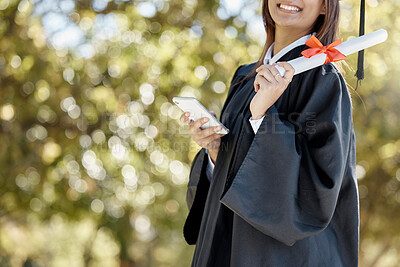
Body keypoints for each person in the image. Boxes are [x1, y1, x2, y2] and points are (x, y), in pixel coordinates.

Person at [180, 0, 359, 266]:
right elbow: (227, 182)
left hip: (279, 257)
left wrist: (263, 116)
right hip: (225, 246)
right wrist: (216, 151)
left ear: (325, 7)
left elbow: (319, 189)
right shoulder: (244, 77)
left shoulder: (322, 79)